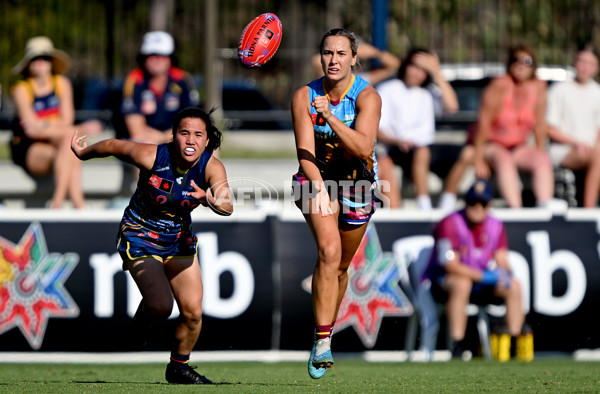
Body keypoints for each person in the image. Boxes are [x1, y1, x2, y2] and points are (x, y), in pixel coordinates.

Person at [71, 107, 232, 384]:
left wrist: (210, 200)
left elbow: (227, 205)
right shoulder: (153, 155)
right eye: (184, 133)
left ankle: (178, 368)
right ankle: (141, 324)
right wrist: (83, 153)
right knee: (160, 307)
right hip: (140, 233)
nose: (190, 140)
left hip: (178, 240)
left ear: (207, 141)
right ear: (173, 135)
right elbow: (113, 145)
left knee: (193, 313)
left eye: (197, 135)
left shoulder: (212, 166)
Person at [291, 28, 381, 379]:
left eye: (341, 53)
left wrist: (328, 116)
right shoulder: (303, 95)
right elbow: (304, 153)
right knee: (328, 253)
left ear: (354, 58)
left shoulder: (368, 96)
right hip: (314, 178)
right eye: (328, 53)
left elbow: (363, 147)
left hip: (358, 182)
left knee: (341, 266)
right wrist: (321, 191)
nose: (333, 60)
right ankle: (324, 340)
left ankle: (322, 334)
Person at [439, 43, 554, 210]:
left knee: (542, 158)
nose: (521, 65)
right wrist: (479, 159)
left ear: (534, 66)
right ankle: (516, 210)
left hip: (517, 146)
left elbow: (540, 124)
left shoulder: (538, 87)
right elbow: (484, 124)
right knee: (493, 158)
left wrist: (539, 148)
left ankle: (545, 207)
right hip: (490, 145)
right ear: (509, 64)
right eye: (516, 60)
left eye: (526, 61)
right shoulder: (499, 86)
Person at [424, 179, 524, 359]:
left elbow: (502, 259)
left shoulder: (496, 226)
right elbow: (449, 264)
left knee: (514, 286)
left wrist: (505, 274)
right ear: (466, 202)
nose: (477, 207)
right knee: (462, 283)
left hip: (479, 282)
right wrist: (483, 276)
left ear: (490, 205)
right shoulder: (450, 223)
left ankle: (514, 344)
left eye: (483, 203)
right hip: (444, 282)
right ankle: (457, 345)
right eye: (473, 202)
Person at [9, 36, 103, 209]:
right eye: (35, 58)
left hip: (57, 146)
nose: (40, 62)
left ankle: (64, 204)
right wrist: (78, 128)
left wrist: (43, 125)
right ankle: (72, 204)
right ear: (28, 63)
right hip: (28, 148)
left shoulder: (62, 83)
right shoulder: (21, 89)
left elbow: (65, 121)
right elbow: (31, 132)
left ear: (51, 62)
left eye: (44, 57)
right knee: (71, 143)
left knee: (69, 146)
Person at [376, 48, 459, 209]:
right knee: (422, 151)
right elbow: (378, 129)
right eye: (414, 66)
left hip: (427, 147)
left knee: (468, 153)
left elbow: (452, 107)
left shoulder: (430, 93)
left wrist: (437, 72)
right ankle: (424, 206)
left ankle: (447, 204)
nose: (417, 73)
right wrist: (398, 140)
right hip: (399, 147)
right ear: (406, 66)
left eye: (423, 69)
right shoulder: (389, 89)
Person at [121, 31, 200, 144]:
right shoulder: (134, 80)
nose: (157, 60)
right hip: (146, 142)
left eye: (163, 55)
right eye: (152, 55)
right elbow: (137, 132)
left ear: (170, 58)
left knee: (210, 146)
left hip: (176, 140)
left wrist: (164, 137)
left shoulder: (182, 79)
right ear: (143, 58)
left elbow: (194, 123)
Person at [546, 44, 600, 208]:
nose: (584, 67)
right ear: (575, 62)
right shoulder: (558, 90)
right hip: (564, 151)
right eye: (581, 61)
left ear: (596, 68)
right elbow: (549, 128)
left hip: (592, 151)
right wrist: (576, 143)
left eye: (589, 63)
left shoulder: (597, 92)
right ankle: (589, 210)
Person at [311, 41, 400, 86]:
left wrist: (375, 53)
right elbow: (316, 61)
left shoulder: (360, 79)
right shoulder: (333, 75)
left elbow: (395, 65)